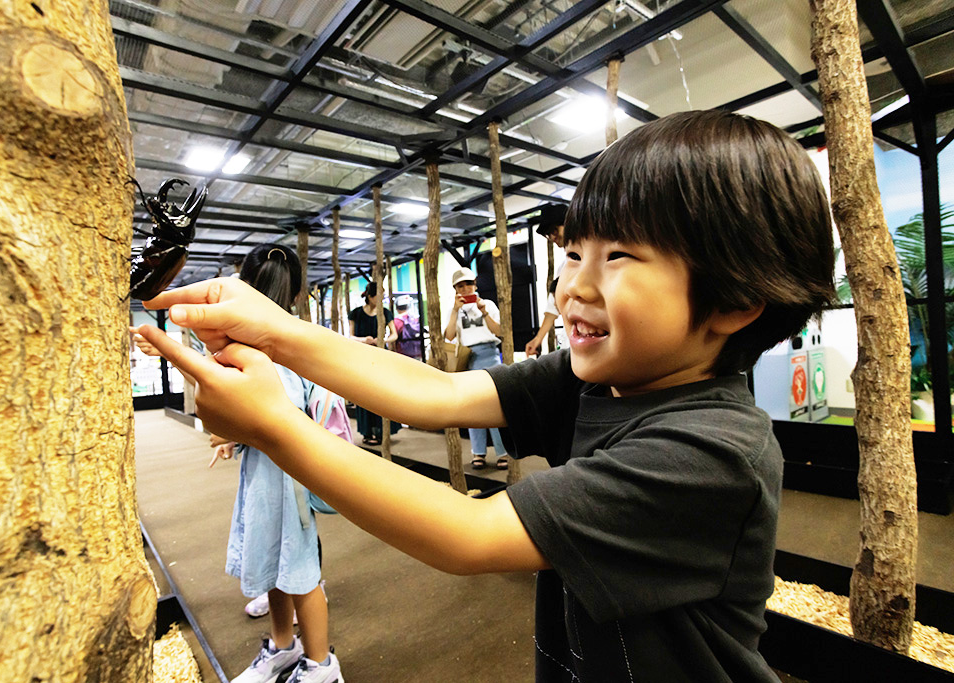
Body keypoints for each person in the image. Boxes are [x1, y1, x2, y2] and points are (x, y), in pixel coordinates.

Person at [137, 110, 835, 682]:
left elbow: (467, 534)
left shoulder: (711, 451)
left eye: (618, 256)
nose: (573, 289)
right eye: (574, 254)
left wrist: (275, 426)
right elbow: (435, 391)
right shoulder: (596, 378)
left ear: (736, 300)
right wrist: (280, 330)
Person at [196, 244, 345, 683]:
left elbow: (273, 416)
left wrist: (230, 433)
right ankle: (284, 648)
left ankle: (320, 666)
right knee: (277, 568)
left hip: (288, 481)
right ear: (296, 292)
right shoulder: (276, 341)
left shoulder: (272, 348)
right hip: (268, 476)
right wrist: (233, 437)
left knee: (299, 572)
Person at [444, 267, 509, 470]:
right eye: (460, 286)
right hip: (468, 358)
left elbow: (500, 331)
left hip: (490, 355)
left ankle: (503, 452)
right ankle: (478, 452)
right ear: (455, 289)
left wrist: (484, 312)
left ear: (475, 284)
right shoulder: (453, 308)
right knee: (472, 409)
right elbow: (449, 336)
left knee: (495, 407)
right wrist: (455, 310)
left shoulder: (487, 304)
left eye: (468, 284)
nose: (465, 289)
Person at [348, 282, 400, 446]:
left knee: (381, 392)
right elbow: (350, 335)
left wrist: (382, 340)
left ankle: (382, 430)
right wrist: (365, 340)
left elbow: (394, 335)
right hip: (362, 355)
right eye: (379, 295)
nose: (382, 298)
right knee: (364, 393)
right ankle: (367, 431)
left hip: (380, 354)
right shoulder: (356, 313)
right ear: (370, 297)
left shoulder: (385, 312)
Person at [525, 203, 567, 357]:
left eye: (555, 230)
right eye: (549, 234)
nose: (553, 237)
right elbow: (552, 309)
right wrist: (537, 339)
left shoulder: (591, 257)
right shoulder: (563, 267)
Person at [392, 295, 422, 360]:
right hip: (418, 354)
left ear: (396, 308)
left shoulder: (396, 321)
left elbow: (393, 340)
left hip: (403, 356)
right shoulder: (415, 319)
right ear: (407, 306)